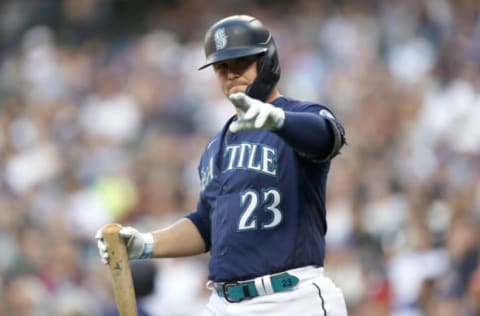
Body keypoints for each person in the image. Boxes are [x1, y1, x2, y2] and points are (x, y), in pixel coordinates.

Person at [96, 14, 348, 316]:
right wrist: (147, 243)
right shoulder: (218, 143)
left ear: (267, 62)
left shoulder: (299, 115)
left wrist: (278, 120)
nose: (230, 75)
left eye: (240, 63)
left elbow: (327, 138)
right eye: (221, 67)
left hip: (291, 298)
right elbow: (206, 224)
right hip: (224, 303)